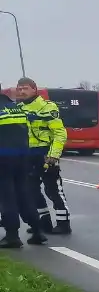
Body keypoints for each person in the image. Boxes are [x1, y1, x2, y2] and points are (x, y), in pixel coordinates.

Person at [13, 78, 70, 235]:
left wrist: (53, 155)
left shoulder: (47, 107)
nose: (22, 91)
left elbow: (60, 133)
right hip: (27, 155)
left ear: (34, 89)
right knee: (31, 190)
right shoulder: (18, 109)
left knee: (53, 190)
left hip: (45, 154)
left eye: (25, 88)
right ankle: (43, 222)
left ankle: (63, 223)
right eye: (19, 89)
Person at [0, 85, 44, 248]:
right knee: (23, 193)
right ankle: (37, 230)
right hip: (23, 156)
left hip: (3, 158)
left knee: (7, 197)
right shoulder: (16, 108)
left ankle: (12, 236)